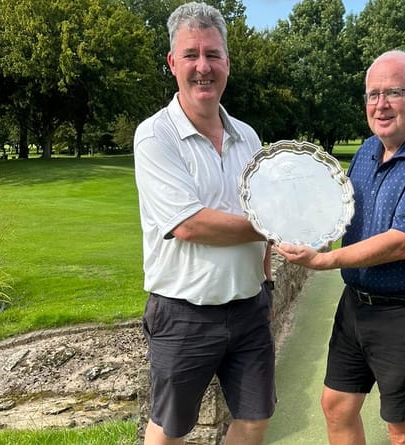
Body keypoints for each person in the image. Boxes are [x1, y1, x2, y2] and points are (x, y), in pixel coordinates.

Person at [276, 50, 405, 445]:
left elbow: (400, 243)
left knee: (402, 431)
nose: (380, 104)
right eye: (372, 94)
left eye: (393, 92)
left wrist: (325, 259)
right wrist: (316, 233)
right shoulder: (366, 151)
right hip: (357, 305)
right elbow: (342, 213)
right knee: (336, 405)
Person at [133, 3, 275, 444]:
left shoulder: (248, 136)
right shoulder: (155, 135)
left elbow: (264, 202)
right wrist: (273, 226)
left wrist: (267, 280)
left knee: (255, 419)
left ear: (227, 63)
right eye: (191, 54)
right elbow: (190, 225)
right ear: (172, 63)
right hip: (182, 314)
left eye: (213, 54)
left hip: (249, 307)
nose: (203, 67)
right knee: (169, 428)